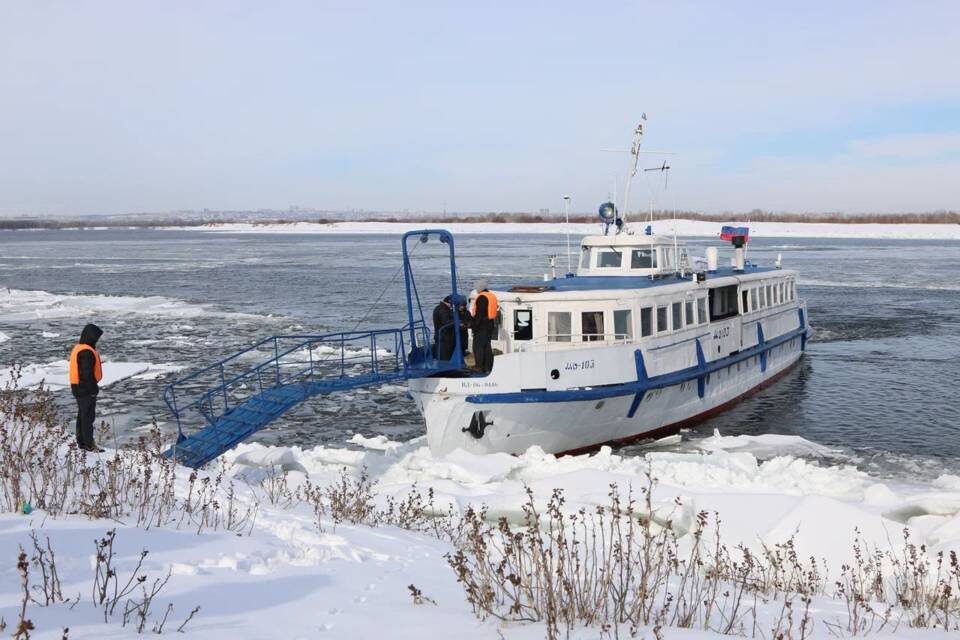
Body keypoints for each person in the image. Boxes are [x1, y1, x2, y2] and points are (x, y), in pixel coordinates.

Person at [69, 323, 104, 452]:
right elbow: (86, 374)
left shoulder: (79, 348)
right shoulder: (86, 351)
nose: (97, 340)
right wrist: (93, 390)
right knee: (88, 417)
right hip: (85, 389)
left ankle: (82, 442)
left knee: (82, 415)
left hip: (78, 387)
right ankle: (89, 444)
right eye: (96, 337)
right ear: (91, 336)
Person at [471, 279, 498, 374]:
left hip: (482, 325)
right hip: (490, 324)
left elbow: (479, 314)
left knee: (478, 346)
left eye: (476, 287)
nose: (476, 289)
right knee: (487, 346)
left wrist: (474, 326)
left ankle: (479, 367)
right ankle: (488, 367)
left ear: (480, 287)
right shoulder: (491, 295)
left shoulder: (482, 297)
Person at [432, 296, 456, 361]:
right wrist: (456, 322)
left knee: (440, 354)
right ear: (449, 302)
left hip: (440, 336)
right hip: (444, 337)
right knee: (445, 356)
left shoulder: (439, 308)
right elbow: (446, 322)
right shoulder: (443, 310)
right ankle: (445, 366)